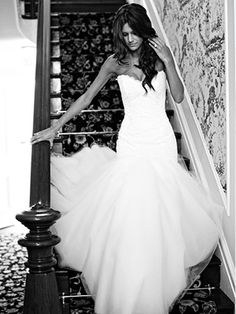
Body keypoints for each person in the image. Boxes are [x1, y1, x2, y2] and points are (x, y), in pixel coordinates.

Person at [32, 4, 223, 314]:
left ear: (143, 29)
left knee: (160, 213)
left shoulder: (159, 55)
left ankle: (156, 277)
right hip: (132, 142)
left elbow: (177, 96)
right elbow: (86, 97)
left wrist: (170, 61)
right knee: (133, 212)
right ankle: (130, 284)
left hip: (160, 141)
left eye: (134, 32)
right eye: (125, 34)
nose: (131, 39)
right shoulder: (114, 63)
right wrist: (56, 126)